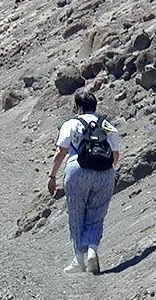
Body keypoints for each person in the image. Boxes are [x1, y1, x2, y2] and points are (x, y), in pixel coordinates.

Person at [46, 90, 120, 274]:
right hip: (105, 172)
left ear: (79, 108)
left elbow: (61, 151)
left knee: (76, 213)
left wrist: (52, 176)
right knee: (97, 213)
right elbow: (115, 155)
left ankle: (79, 259)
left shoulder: (71, 124)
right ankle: (92, 249)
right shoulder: (108, 125)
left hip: (77, 169)